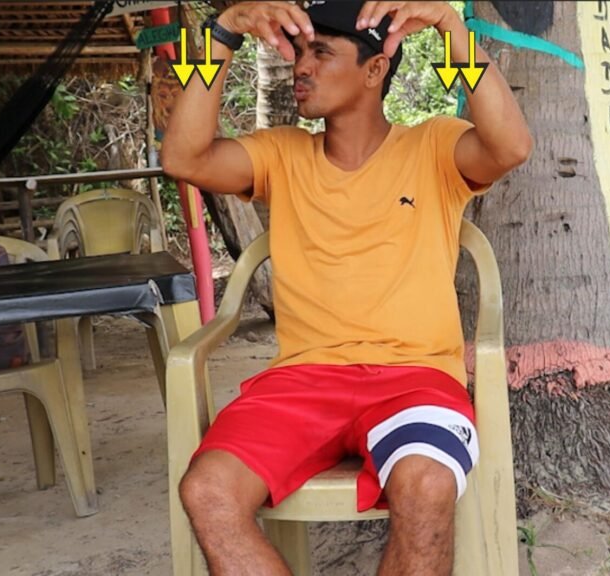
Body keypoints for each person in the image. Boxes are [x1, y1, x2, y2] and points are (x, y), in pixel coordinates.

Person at [160, 1, 531, 574]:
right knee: (207, 490)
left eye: (322, 52)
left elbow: (511, 147)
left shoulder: (433, 146)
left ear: (375, 69)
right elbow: (183, 157)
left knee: (427, 484)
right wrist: (223, 33)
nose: (301, 68)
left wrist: (451, 27)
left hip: (415, 380)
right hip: (301, 382)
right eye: (298, 53)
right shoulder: (280, 153)